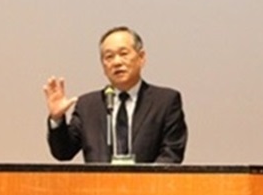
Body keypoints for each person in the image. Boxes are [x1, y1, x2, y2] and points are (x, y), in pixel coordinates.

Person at [43, 26, 188, 164]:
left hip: (148, 183)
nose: (117, 62)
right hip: (99, 182)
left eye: (123, 54)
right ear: (103, 65)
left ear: (141, 57)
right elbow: (63, 152)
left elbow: (172, 153)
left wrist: (141, 180)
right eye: (109, 57)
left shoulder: (165, 101)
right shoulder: (88, 106)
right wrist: (57, 118)